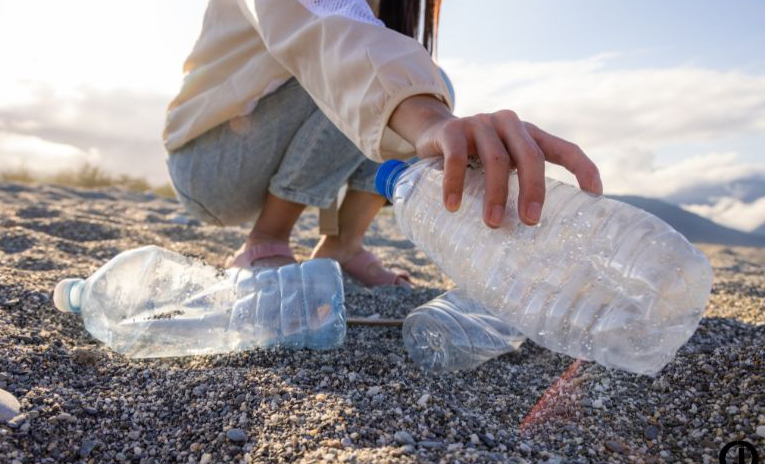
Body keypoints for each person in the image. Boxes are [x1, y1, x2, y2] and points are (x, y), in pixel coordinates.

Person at [163, 0, 603, 287]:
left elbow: (343, 123)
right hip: (211, 162)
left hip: (260, 149)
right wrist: (428, 118)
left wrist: (429, 114)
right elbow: (326, 31)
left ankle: (341, 243)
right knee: (388, 81)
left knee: (404, 83)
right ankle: (267, 239)